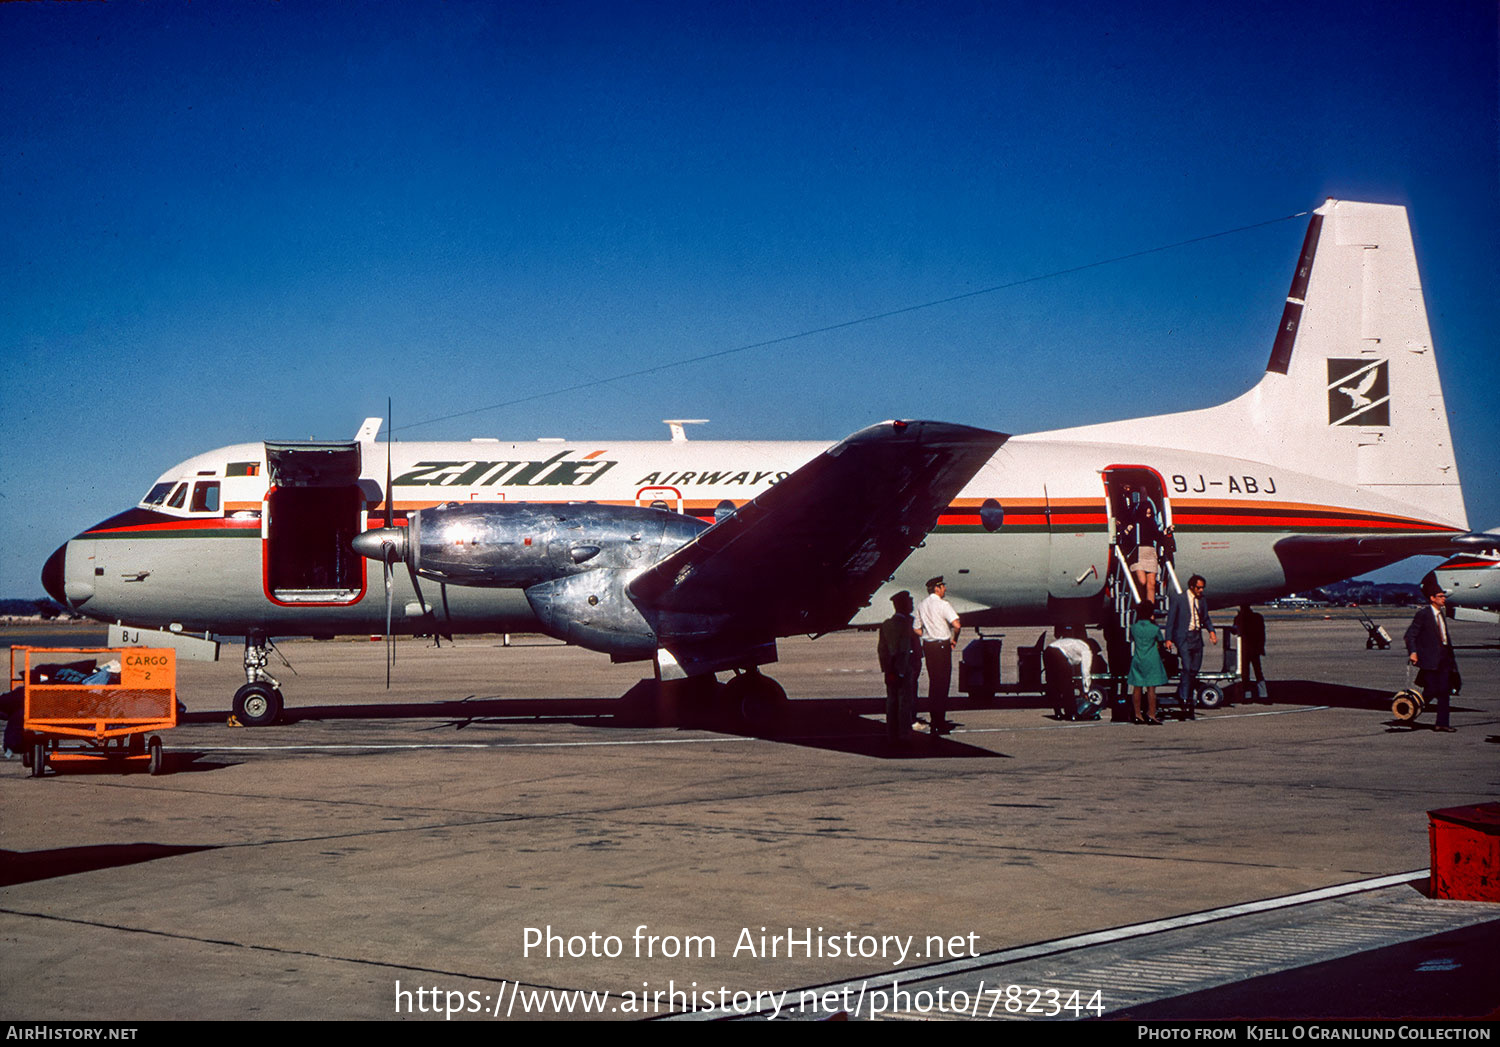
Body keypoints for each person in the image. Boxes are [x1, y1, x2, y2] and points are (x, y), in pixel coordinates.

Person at [1404, 576, 1458, 733]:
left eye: (1443, 596)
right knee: (1432, 690)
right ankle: (1409, 710)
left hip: (1445, 658)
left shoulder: (1441, 614)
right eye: (1440, 596)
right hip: (1430, 659)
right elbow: (1410, 635)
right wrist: (1413, 652)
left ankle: (1442, 724)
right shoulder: (1424, 614)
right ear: (1432, 598)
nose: (1443, 599)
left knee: (1444, 691)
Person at [1165, 574, 1216, 719]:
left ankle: (1183, 691)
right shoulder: (1179, 599)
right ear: (1192, 587)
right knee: (1186, 667)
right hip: (1183, 637)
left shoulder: (1202, 600)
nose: (1201, 590)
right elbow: (1171, 620)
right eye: (1199, 588)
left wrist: (1211, 631)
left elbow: (1205, 617)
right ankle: (1184, 698)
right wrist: (1168, 639)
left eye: (1202, 588)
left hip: (1196, 637)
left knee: (1194, 669)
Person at [917, 576, 961, 735]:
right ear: (937, 588)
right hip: (942, 646)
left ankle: (934, 719)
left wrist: (927, 634)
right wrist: (954, 640)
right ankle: (939, 721)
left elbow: (917, 628)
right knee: (943, 685)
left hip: (928, 646)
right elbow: (957, 624)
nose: (945, 589)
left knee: (934, 683)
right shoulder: (944, 605)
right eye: (943, 587)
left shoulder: (922, 605)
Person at [877, 591, 921, 742]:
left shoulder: (886, 624)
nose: (912, 605)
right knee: (905, 700)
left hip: (890, 667)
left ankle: (891, 732)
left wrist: (887, 668)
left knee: (891, 700)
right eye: (909, 602)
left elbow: (882, 648)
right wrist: (906, 668)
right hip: (903, 667)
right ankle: (903, 732)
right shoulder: (907, 624)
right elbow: (905, 648)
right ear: (902, 605)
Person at [1117, 483, 1160, 605]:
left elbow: (1158, 536)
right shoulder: (1135, 524)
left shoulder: (1152, 524)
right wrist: (1126, 530)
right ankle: (1140, 605)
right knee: (1142, 581)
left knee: (1151, 584)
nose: (1148, 513)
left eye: (1150, 512)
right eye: (1146, 511)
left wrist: (1166, 532)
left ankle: (1150, 611)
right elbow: (1126, 538)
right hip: (1138, 554)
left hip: (1150, 553)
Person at [1128, 602, 1168, 724]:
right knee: (1151, 689)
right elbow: (1160, 641)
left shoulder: (1134, 628)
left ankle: (1137, 714)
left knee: (1137, 687)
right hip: (1151, 658)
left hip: (1138, 657)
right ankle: (1151, 713)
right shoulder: (1154, 628)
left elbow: (1132, 638)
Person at [1234, 604, 1267, 703]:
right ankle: (1263, 695)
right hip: (1254, 648)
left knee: (1247, 673)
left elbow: (1235, 631)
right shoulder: (1257, 617)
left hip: (1247, 649)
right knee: (1257, 671)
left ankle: (1248, 695)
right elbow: (1262, 634)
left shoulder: (1240, 618)